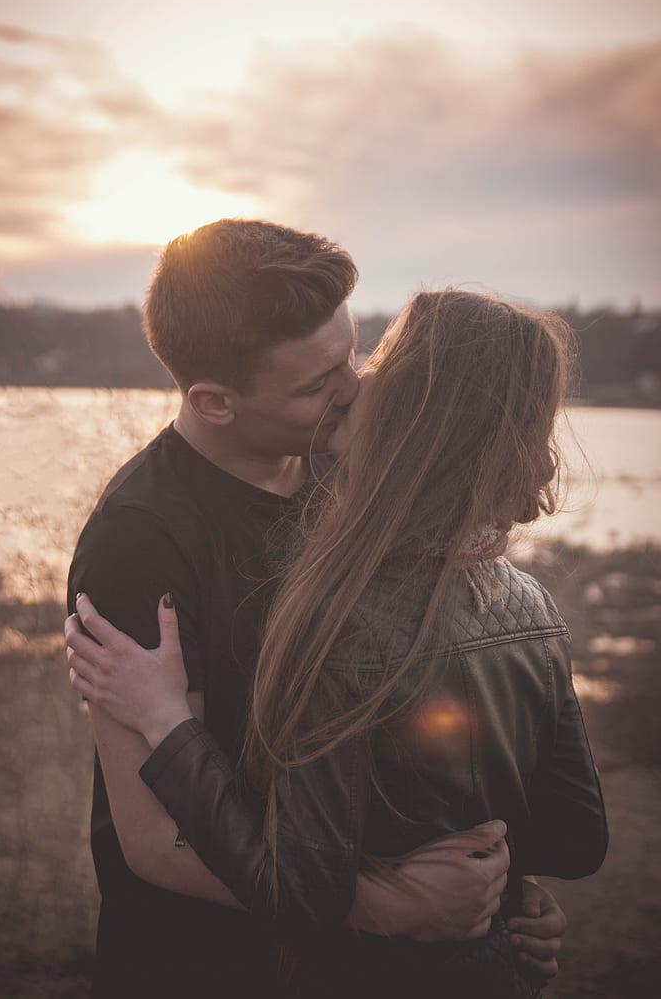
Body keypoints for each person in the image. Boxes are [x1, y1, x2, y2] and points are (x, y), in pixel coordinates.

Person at [66, 228, 570, 997]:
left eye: (355, 356)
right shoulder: (141, 542)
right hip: (204, 967)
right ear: (213, 402)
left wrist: (496, 902)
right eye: (316, 383)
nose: (357, 388)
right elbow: (153, 840)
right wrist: (395, 906)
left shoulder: (359, 476)